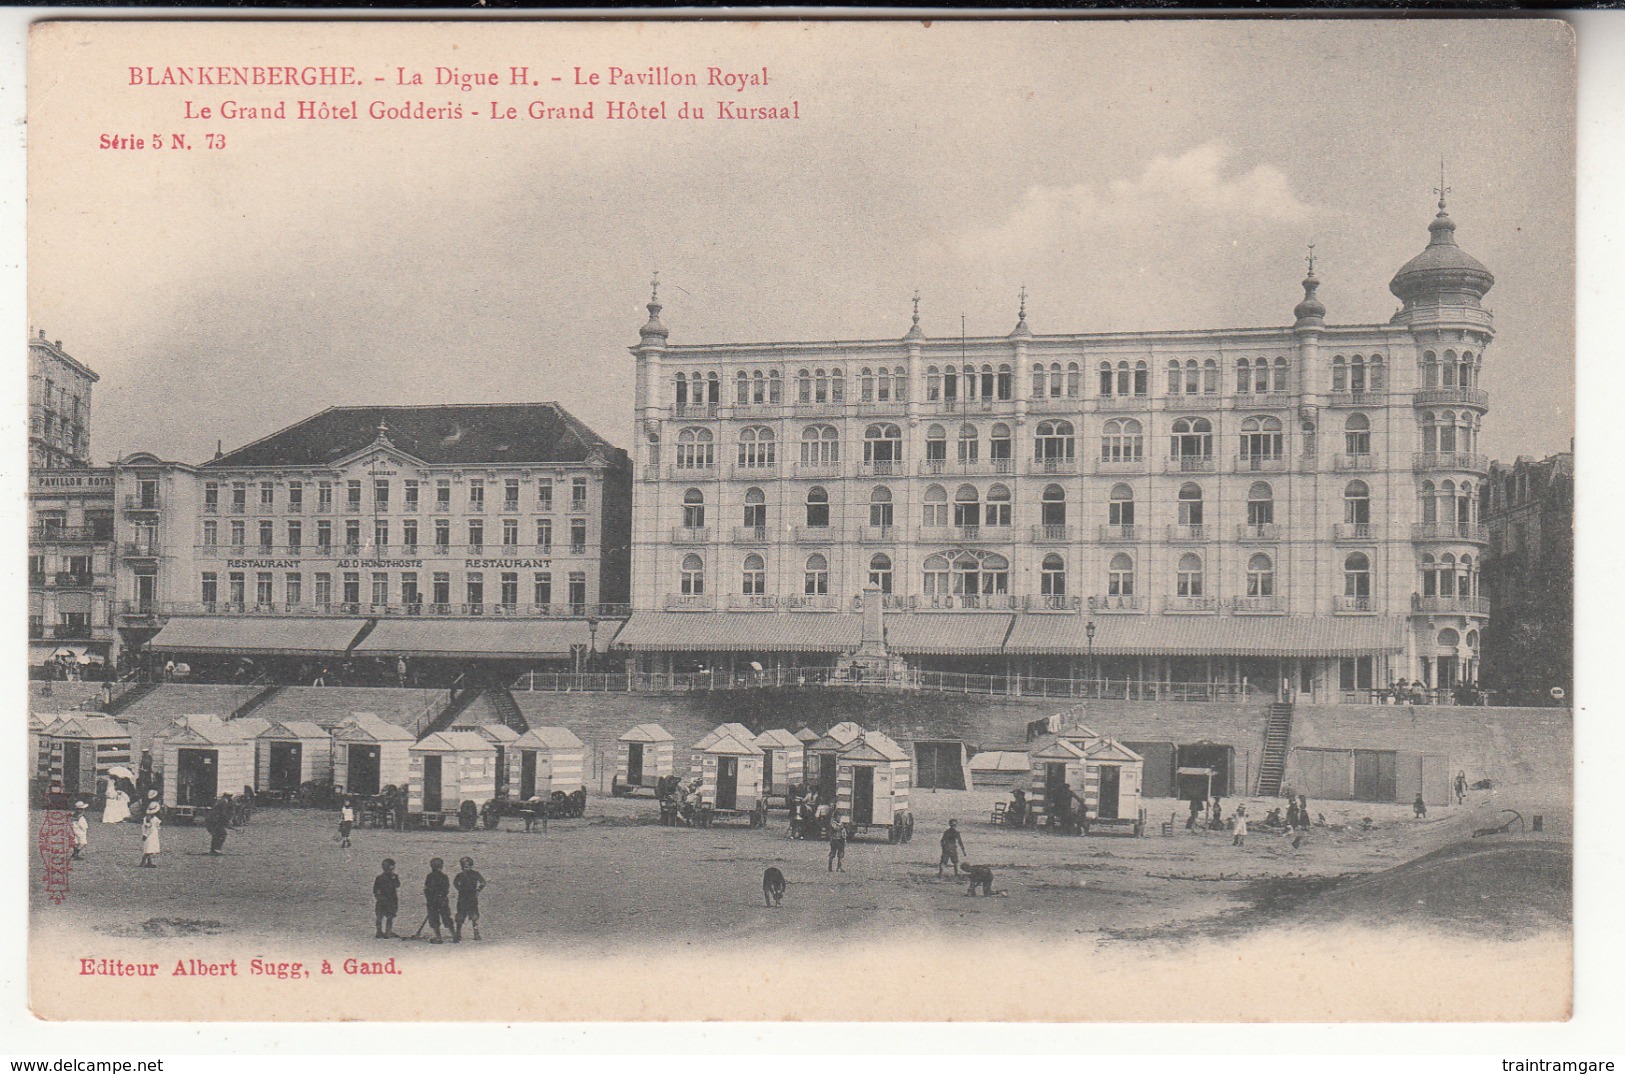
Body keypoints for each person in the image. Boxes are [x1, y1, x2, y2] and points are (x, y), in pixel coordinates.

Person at [453, 857, 486, 942]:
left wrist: (478, 890)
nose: (465, 868)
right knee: (460, 915)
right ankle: (458, 933)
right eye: (463, 866)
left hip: (471, 898)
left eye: (466, 866)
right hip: (463, 897)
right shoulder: (460, 875)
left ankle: (476, 933)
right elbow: (455, 883)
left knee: (474, 916)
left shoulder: (475, 874)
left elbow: (483, 882)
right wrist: (460, 889)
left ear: (471, 866)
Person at [423, 858, 454, 944]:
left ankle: (439, 937)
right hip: (440, 900)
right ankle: (454, 935)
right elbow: (446, 889)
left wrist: (429, 899)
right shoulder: (444, 876)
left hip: (434, 900)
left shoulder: (430, 876)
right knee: (445, 917)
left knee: (435, 918)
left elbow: (426, 889)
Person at [373, 859, 401, 939]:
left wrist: (378, 896)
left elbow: (375, 889)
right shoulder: (393, 877)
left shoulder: (379, 877)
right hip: (390, 899)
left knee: (380, 916)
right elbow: (397, 885)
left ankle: (379, 932)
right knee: (389, 916)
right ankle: (387, 932)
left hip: (382, 899)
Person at [139, 801, 162, 867]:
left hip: (150, 833)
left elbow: (144, 827)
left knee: (148, 847)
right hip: (152, 834)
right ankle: (143, 862)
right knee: (149, 848)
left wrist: (144, 834)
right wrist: (146, 834)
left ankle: (149, 862)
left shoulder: (146, 818)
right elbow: (150, 828)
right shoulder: (154, 819)